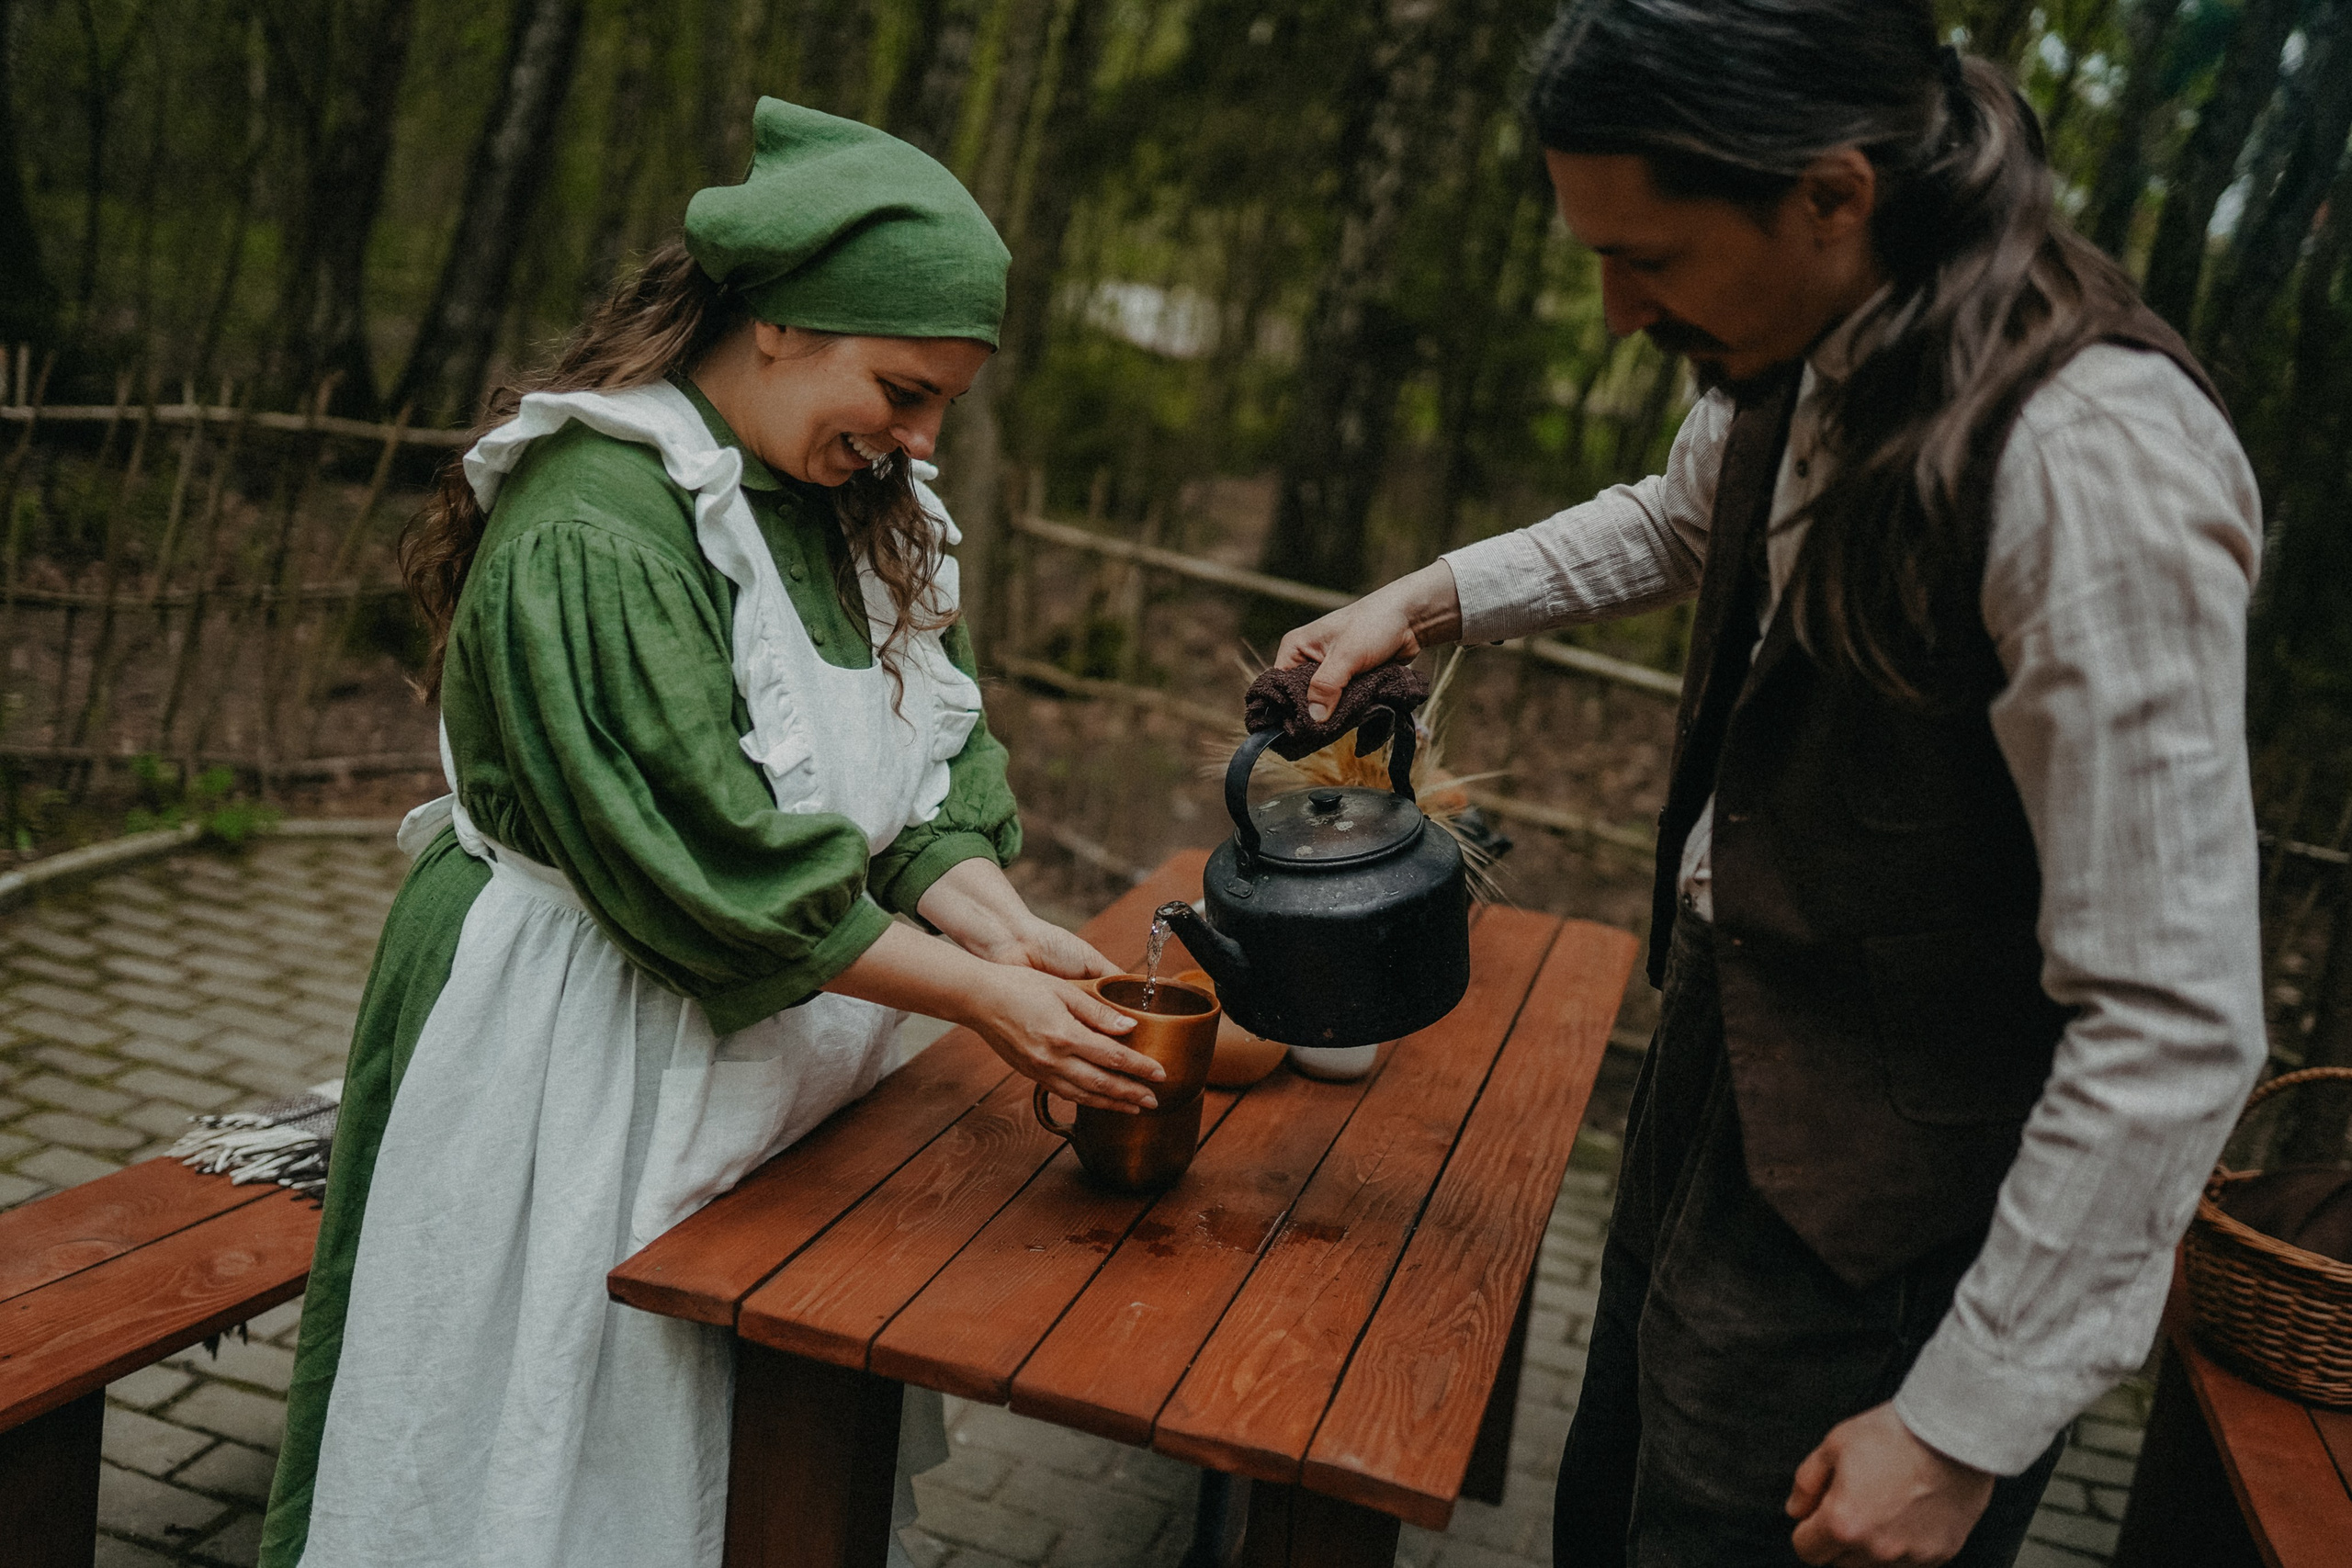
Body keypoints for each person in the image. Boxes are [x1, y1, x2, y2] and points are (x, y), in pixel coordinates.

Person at [1278, 5, 2265, 1565]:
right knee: (1617, 1510)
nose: (1613, 313)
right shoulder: (1814, 334)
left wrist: (1961, 1423)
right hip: (1721, 1073)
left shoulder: (2096, 465)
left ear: (1831, 194)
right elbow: (1674, 520)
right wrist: (1427, 599)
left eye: (1650, 261)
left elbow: (2176, 1018)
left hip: (1900, 1194)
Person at [259, 100, 1167, 1568]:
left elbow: (926, 759)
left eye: (947, 404)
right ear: (784, 323)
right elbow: (704, 855)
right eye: (905, 386)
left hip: (754, 1027)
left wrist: (1005, 929)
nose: (922, 437)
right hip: (566, 1033)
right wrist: (989, 1001)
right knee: (535, 1438)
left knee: (716, 1439)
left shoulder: (854, 502)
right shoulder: (595, 523)